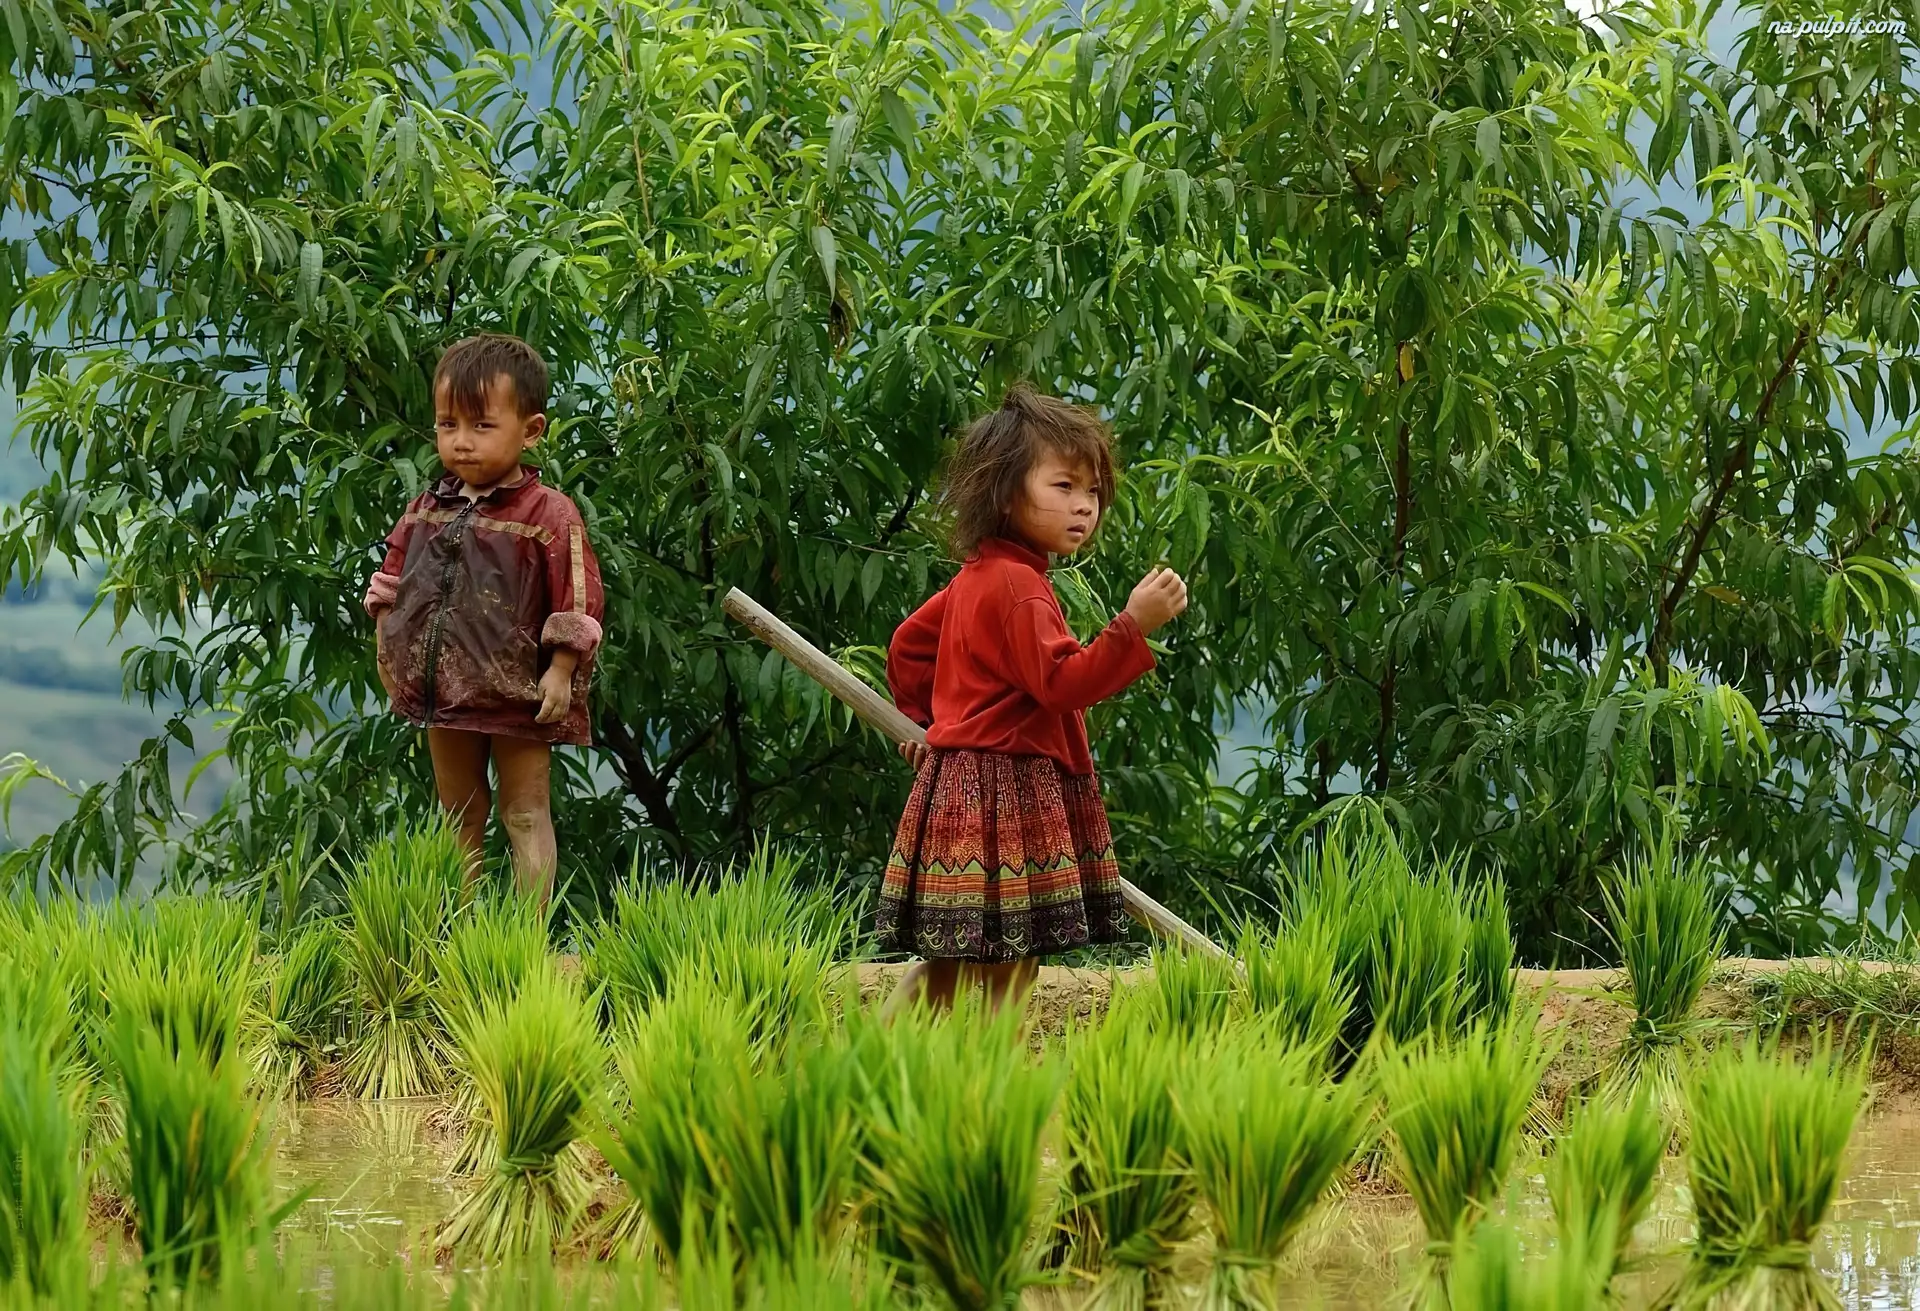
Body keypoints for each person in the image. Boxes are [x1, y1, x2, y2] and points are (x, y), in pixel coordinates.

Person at [877, 382, 1188, 1019]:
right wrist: (1134, 625)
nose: (1084, 507)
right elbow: (1063, 684)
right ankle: (1001, 1066)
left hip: (962, 783)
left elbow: (909, 646)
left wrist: (931, 726)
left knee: (951, 954)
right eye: (1064, 486)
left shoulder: (977, 577)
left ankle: (882, 1056)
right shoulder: (1019, 587)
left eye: (1093, 492)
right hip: (1006, 788)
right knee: (1012, 959)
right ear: (1004, 491)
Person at [362, 333, 605, 904]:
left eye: (482, 425)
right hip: (444, 692)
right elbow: (390, 584)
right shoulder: (427, 508)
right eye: (448, 425)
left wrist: (561, 670)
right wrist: (388, 651)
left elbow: (577, 601)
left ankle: (525, 936)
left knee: (524, 811)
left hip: (519, 695)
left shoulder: (550, 515)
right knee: (458, 811)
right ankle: (456, 929)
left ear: (531, 430)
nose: (462, 441)